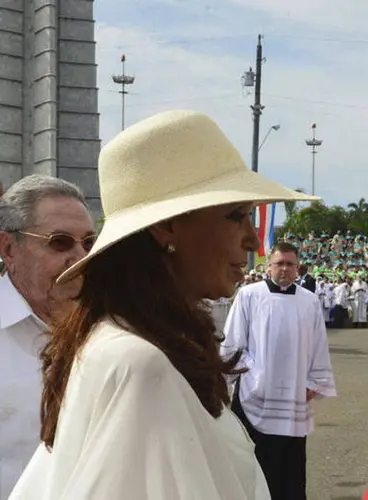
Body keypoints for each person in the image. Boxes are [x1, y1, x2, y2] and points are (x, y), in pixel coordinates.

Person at [10, 110, 315, 499]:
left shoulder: (132, 340)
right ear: (167, 227)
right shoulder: (139, 360)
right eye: (236, 216)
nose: (253, 242)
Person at [0, 175, 95, 498]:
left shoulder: (112, 328)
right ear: (9, 249)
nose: (81, 258)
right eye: (60, 242)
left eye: (89, 243)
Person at [222, 242, 336, 500]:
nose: (284, 269)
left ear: (298, 268)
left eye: (290, 264)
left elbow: (318, 343)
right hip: (256, 392)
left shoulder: (309, 301)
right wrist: (254, 373)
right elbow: (234, 341)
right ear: (269, 266)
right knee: (254, 462)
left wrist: (314, 381)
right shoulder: (249, 295)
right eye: (279, 263)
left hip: (294, 395)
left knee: (291, 463)